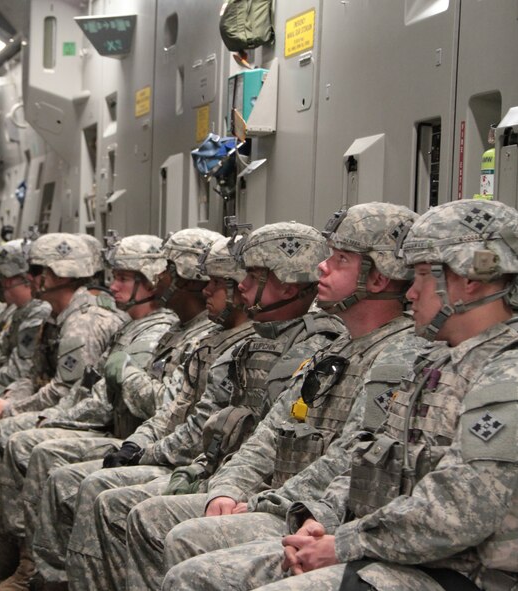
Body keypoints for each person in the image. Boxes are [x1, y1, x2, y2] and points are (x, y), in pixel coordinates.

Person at [163, 199, 518, 591]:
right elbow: (367, 460)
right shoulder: (431, 362)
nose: (411, 292)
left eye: (420, 275)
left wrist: (343, 543)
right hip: (397, 554)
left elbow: (458, 509)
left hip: (466, 575)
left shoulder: (506, 372)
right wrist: (320, 519)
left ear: (471, 278)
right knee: (192, 576)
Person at [127, 203, 423, 591]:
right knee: (155, 518)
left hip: (313, 514)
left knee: (185, 546)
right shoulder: (337, 350)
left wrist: (269, 502)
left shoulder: (396, 354)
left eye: (340, 260)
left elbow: (349, 456)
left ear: (378, 278)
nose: (322, 266)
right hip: (289, 504)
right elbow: (269, 434)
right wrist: (228, 489)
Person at [66, 222, 347, 590]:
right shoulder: (244, 344)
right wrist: (155, 452)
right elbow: (207, 422)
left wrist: (256, 498)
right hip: (226, 478)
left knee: (139, 513)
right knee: (113, 498)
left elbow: (321, 456)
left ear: (288, 284)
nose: (237, 287)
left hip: (283, 502)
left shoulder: (317, 346)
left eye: (251, 277)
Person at [19, 229, 221, 588]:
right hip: (141, 438)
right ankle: (38, 574)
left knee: (78, 477)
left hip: (171, 453)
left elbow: (166, 406)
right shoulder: (171, 330)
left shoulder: (190, 335)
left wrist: (126, 379)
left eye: (128, 277)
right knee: (52, 462)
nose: (161, 280)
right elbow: (102, 395)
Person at [0, 234, 179, 590]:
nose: (112, 286)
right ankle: (12, 556)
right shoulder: (132, 327)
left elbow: (148, 405)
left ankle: (37, 572)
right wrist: (49, 418)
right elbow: (94, 394)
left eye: (123, 278)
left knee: (40, 452)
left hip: (130, 439)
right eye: (114, 276)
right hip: (115, 428)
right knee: (28, 439)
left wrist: (45, 417)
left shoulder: (153, 331)